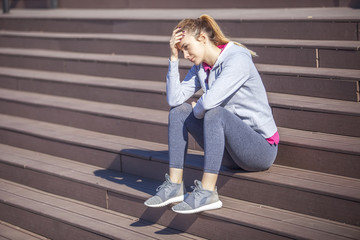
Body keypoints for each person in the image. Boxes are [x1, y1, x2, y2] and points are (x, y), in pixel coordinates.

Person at [144, 14, 279, 214]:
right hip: (230, 153)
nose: (185, 55)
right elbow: (175, 99)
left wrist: (199, 108)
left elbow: (209, 103)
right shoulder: (201, 67)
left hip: (259, 150)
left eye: (187, 47)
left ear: (203, 39)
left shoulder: (237, 59)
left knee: (214, 113)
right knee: (178, 112)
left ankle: (207, 191)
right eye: (181, 51)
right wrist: (172, 59)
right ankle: (174, 185)